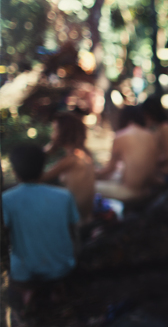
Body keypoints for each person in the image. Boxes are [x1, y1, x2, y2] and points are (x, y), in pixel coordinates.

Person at [2, 143, 80, 312]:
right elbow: (74, 230)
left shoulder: (7, 200)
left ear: (14, 172)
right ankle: (55, 288)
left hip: (24, 274)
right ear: (43, 167)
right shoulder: (64, 195)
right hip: (62, 267)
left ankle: (29, 291)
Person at [95, 105, 158, 201]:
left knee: (90, 186)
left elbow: (109, 170)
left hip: (131, 192)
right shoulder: (151, 135)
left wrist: (92, 174)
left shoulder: (121, 135)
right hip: (147, 190)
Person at [42, 112, 95, 223]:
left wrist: (44, 152)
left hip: (77, 218)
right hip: (86, 214)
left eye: (54, 131)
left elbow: (36, 178)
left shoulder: (72, 159)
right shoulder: (85, 154)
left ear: (64, 133)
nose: (51, 135)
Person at [141, 94, 168, 179]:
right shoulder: (158, 127)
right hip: (158, 172)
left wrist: (151, 161)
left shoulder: (165, 127)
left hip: (166, 173)